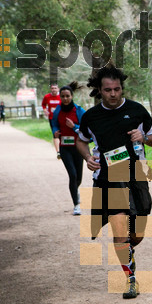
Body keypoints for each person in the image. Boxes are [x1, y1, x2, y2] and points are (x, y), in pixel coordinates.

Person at [75, 65, 152, 299]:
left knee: (137, 233)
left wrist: (143, 137)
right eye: (108, 90)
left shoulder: (136, 111)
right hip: (108, 179)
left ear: (122, 88)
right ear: (99, 91)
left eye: (117, 89)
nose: (113, 94)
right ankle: (130, 280)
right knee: (120, 232)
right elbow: (81, 141)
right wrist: (87, 158)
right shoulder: (91, 117)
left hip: (136, 176)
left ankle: (127, 251)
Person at [51, 82, 86, 215]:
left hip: (78, 147)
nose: (65, 99)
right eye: (63, 96)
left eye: (67, 96)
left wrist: (74, 127)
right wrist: (55, 132)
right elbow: (54, 124)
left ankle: (74, 190)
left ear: (72, 96)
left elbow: (85, 129)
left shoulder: (79, 110)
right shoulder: (58, 110)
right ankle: (76, 204)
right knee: (72, 175)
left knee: (79, 178)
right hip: (65, 148)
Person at [42, 83, 62, 159]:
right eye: (52, 88)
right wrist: (45, 110)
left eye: (55, 88)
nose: (54, 90)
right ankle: (58, 152)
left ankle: (63, 150)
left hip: (61, 118)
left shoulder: (61, 96)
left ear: (58, 89)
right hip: (52, 119)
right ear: (50, 89)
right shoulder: (47, 97)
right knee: (55, 134)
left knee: (62, 134)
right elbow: (43, 104)